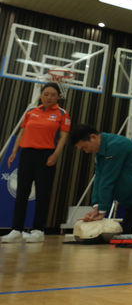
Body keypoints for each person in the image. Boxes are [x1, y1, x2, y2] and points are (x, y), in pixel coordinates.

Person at [2, 82, 70, 243]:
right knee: (22, 192)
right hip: (27, 154)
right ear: (41, 95)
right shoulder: (32, 111)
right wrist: (13, 152)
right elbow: (22, 132)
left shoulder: (62, 113)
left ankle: (38, 230)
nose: (49, 97)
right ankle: (16, 229)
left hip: (46, 156)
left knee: (43, 193)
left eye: (53, 94)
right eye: (46, 93)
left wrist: (55, 155)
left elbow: (63, 137)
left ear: (58, 97)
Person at [68, 124, 132, 234]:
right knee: (128, 232)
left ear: (93, 137)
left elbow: (108, 179)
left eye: (85, 147)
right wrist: (96, 206)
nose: (86, 151)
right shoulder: (100, 152)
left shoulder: (115, 145)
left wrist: (102, 209)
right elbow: (98, 178)